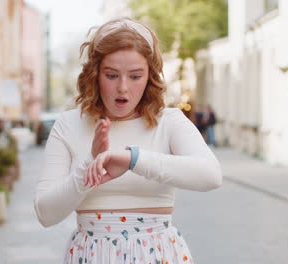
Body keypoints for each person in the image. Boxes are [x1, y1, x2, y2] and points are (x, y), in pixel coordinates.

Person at [34, 18, 222, 264]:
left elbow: (211, 175)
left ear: (149, 77)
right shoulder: (69, 124)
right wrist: (88, 168)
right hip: (93, 256)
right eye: (111, 75)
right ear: (95, 74)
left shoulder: (169, 121)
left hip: (159, 255)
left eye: (135, 76)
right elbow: (46, 213)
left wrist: (134, 159)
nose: (123, 88)